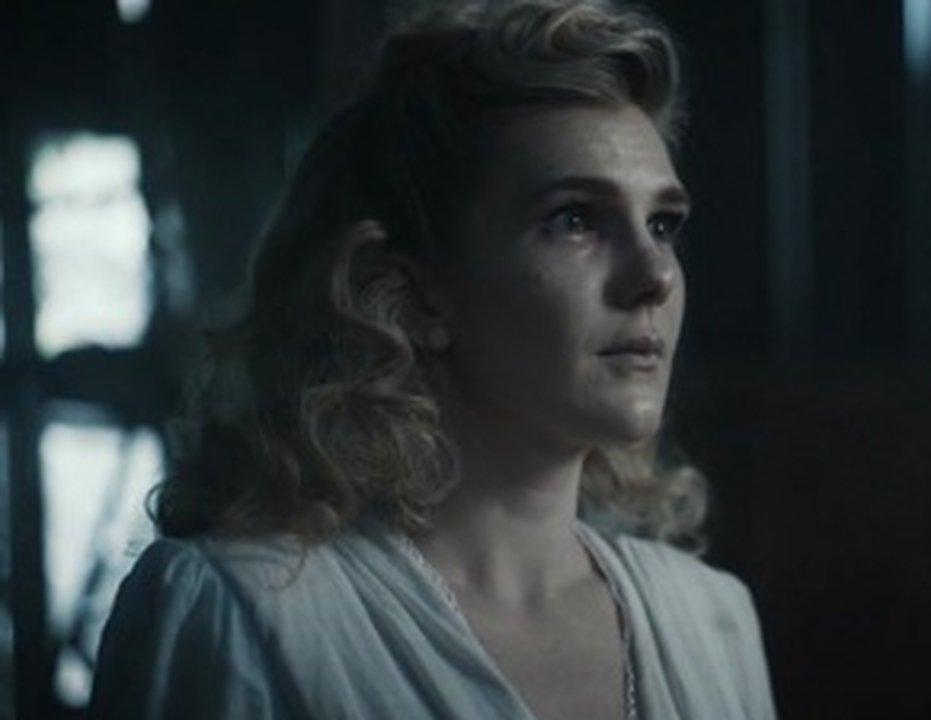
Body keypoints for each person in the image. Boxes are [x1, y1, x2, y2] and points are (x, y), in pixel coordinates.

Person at [89, 0, 775, 718]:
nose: (655, 276)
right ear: (414, 290)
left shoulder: (712, 620)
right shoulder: (240, 614)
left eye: (662, 224)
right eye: (575, 219)